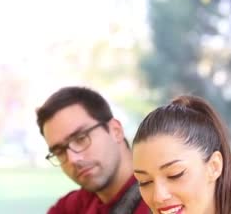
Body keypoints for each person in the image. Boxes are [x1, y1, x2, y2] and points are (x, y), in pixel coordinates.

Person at [36, 86, 149, 214]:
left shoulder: (163, 199)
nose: (73, 159)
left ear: (115, 131)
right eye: (59, 151)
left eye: (81, 138)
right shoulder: (72, 207)